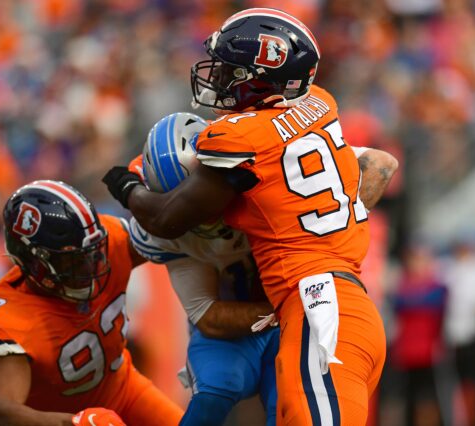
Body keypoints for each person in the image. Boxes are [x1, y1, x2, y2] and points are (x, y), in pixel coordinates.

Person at [103, 8, 399, 425]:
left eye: (229, 71)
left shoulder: (242, 137)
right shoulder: (318, 104)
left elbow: (168, 218)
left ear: (262, 78)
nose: (219, 79)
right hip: (335, 302)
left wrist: (128, 187)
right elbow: (380, 164)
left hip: (318, 306)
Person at [128, 111, 397, 425]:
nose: (196, 214)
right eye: (179, 204)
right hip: (239, 325)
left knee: (284, 407)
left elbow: (380, 164)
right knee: (215, 390)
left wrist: (331, 224)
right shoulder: (166, 234)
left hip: (298, 310)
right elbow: (208, 316)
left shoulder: (268, 168)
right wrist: (283, 306)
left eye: (196, 196)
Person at [0, 180, 184, 426]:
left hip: (125, 391)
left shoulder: (108, 240)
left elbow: (173, 233)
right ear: (35, 262)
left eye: (92, 253)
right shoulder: (8, 319)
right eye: (73, 261)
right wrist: (75, 423)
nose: (91, 266)